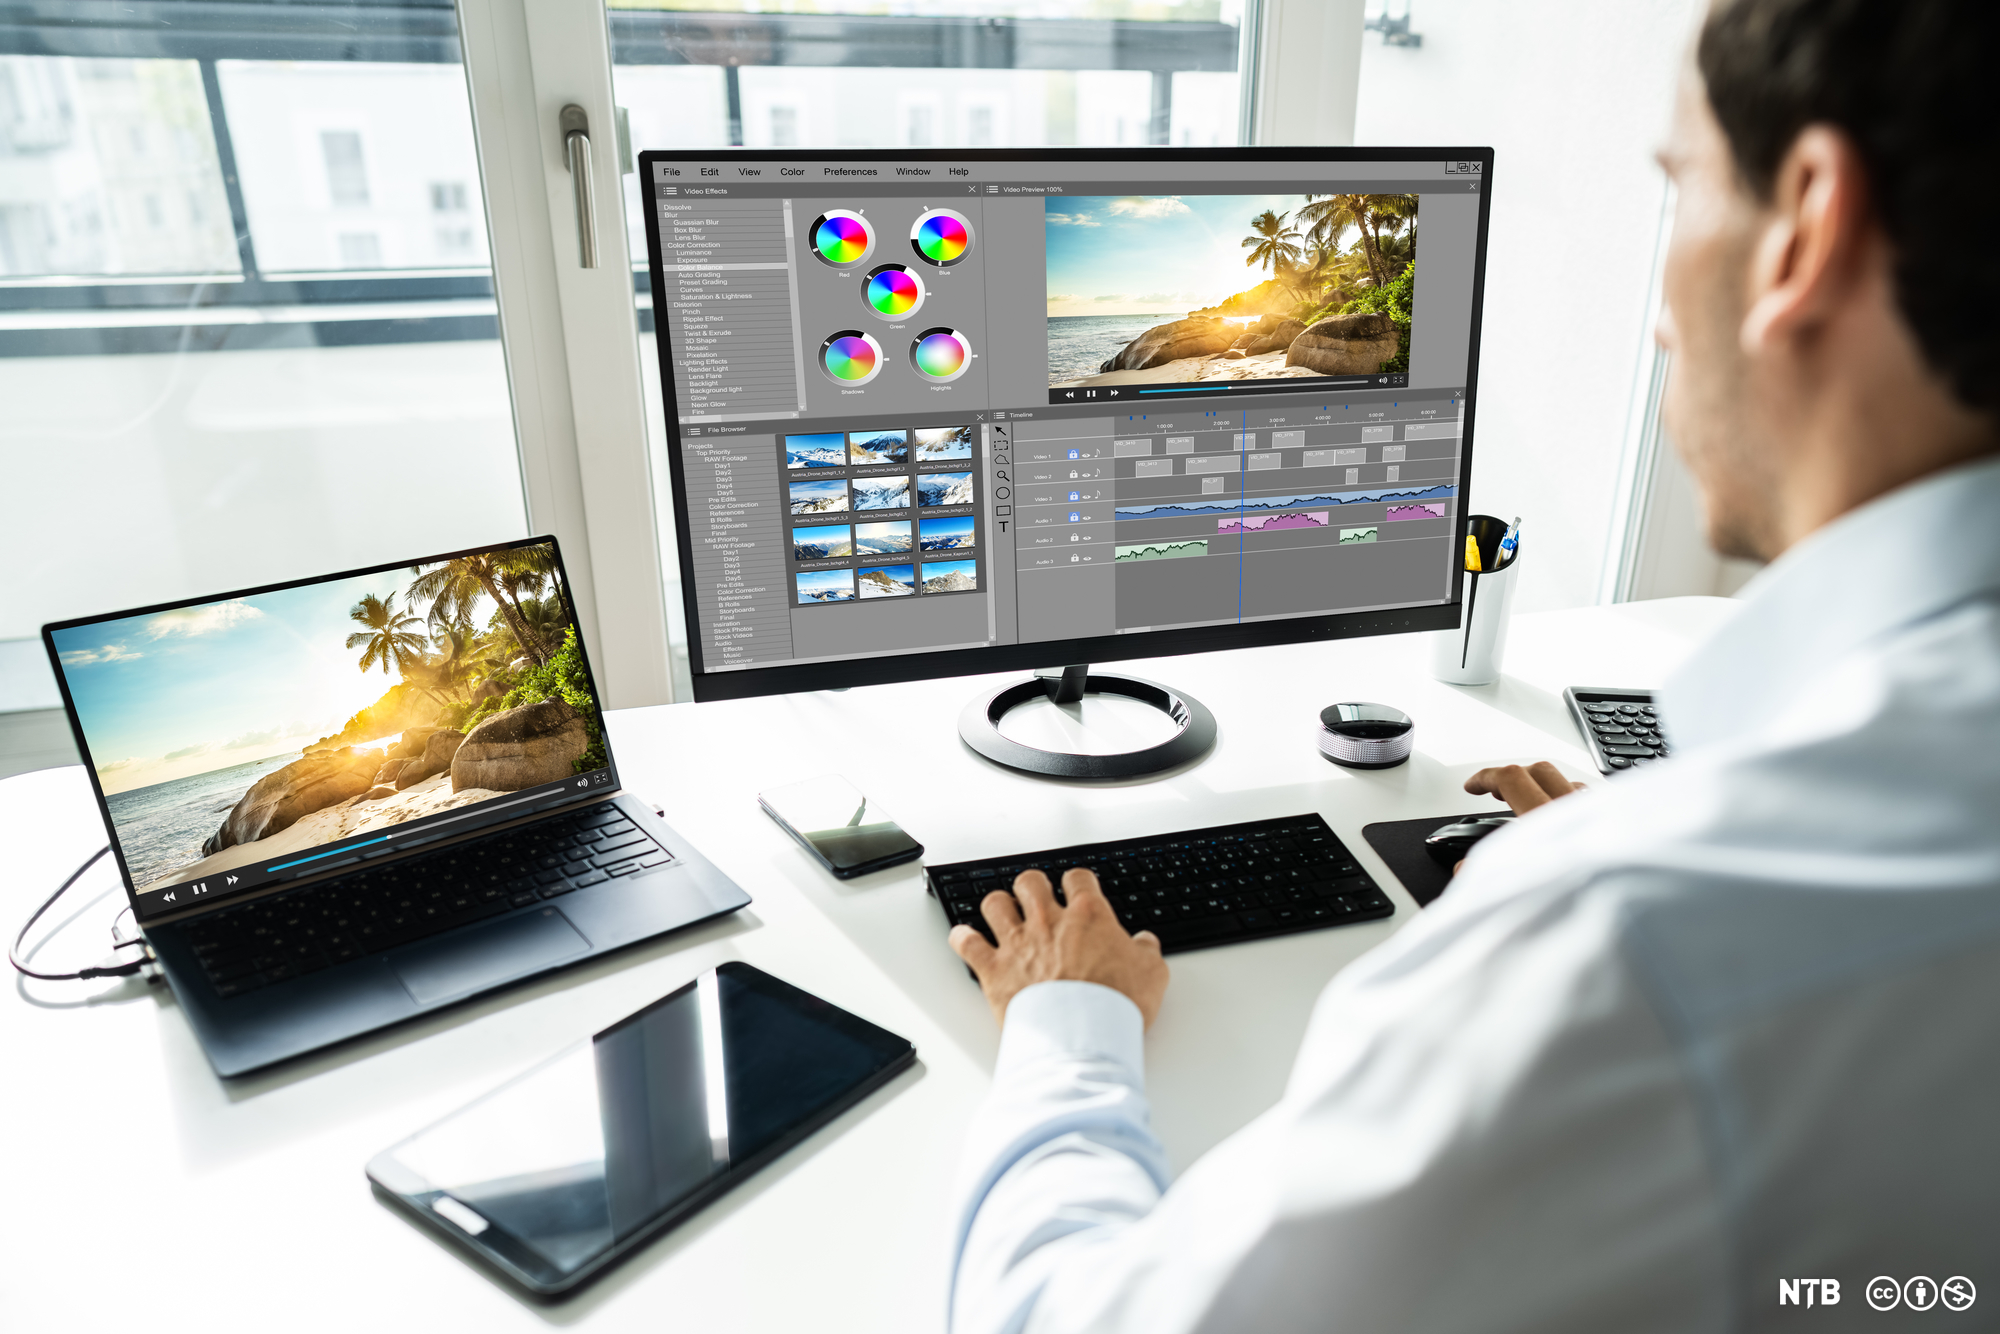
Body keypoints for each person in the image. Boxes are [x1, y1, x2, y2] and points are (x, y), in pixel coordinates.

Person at [945, 1, 2000, 1329]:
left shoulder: (1632, 936)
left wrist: (1066, 1027)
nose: (1663, 315)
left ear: (1808, 222)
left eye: (1682, 192)